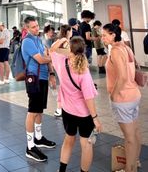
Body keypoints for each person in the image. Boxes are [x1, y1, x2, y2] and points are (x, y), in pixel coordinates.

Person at [50, 36, 102, 172]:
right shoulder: (83, 70)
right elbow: (88, 97)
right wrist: (95, 118)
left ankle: (61, 170)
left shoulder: (61, 62)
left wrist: (62, 39)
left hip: (67, 111)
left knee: (68, 140)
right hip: (84, 114)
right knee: (86, 145)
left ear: (69, 50)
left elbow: (52, 49)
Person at [102, 23, 141, 172]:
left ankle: (129, 169)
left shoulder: (116, 51)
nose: (102, 38)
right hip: (133, 95)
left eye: (105, 35)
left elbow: (123, 77)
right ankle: (135, 162)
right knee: (135, 133)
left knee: (129, 137)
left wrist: (113, 94)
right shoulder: (126, 47)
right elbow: (135, 67)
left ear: (113, 35)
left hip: (123, 99)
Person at [21, 16, 56, 162]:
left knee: (40, 110)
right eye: (33, 27)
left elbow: (46, 56)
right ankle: (30, 146)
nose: (37, 29)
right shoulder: (27, 41)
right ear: (27, 29)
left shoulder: (38, 40)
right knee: (32, 111)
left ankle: (39, 137)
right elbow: (41, 59)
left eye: (37, 26)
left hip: (42, 78)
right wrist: (53, 57)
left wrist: (52, 73)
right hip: (33, 79)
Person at [53, 25, 73, 117]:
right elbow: (70, 55)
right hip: (66, 70)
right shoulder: (65, 42)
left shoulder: (57, 42)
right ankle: (64, 109)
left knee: (63, 88)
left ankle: (59, 109)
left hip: (60, 69)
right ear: (68, 31)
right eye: (71, 30)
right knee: (68, 89)